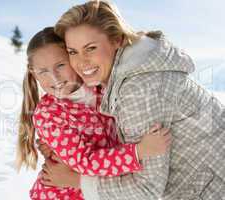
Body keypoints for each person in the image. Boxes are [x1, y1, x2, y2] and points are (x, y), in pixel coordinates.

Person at [38, 1, 225, 200]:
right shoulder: (129, 71)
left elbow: (146, 190)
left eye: (90, 48)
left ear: (116, 39)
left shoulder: (138, 90)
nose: (81, 62)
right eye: (73, 52)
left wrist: (77, 181)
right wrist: (60, 141)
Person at [16, 27, 172, 200]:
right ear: (33, 73)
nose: (54, 77)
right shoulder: (48, 113)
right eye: (43, 71)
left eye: (60, 65)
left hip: (102, 191)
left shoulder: (98, 86)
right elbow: (85, 161)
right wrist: (138, 151)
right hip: (64, 195)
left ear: (74, 58)